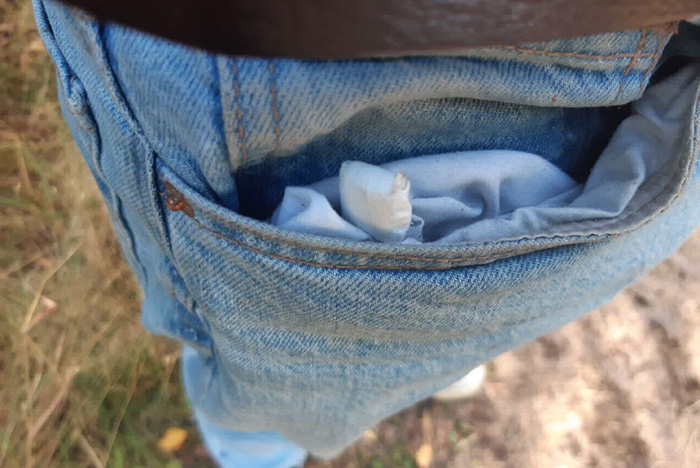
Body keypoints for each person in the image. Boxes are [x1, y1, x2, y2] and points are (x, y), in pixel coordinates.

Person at [33, 0, 700, 466]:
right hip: (276, 48)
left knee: (287, 368)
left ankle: (411, 365)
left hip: (611, 43)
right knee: (269, 374)